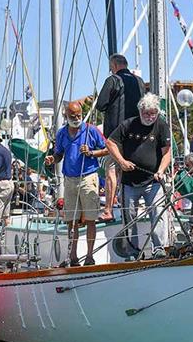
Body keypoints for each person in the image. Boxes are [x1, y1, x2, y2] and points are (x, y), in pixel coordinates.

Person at [106, 93, 172, 259]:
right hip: (129, 182)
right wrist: (121, 162)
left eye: (153, 113)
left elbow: (167, 152)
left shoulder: (161, 126)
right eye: (146, 113)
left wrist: (161, 171)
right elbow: (110, 142)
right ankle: (133, 250)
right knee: (130, 217)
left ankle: (158, 248)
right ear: (140, 111)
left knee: (158, 213)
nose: (150, 117)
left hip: (153, 181)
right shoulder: (128, 125)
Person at [44, 101, 108, 266]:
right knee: (71, 220)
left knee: (91, 219)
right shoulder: (62, 133)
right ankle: (72, 256)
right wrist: (53, 159)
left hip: (88, 178)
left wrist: (92, 152)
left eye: (79, 115)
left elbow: (108, 149)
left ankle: (89, 256)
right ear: (66, 116)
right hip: (70, 179)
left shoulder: (91, 130)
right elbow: (59, 154)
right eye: (73, 116)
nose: (76, 118)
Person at [95, 53, 145, 221]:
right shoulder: (139, 81)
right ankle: (131, 209)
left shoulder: (113, 80)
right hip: (137, 134)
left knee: (112, 169)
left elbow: (100, 105)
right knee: (130, 171)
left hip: (116, 135)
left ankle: (108, 209)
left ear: (114, 65)